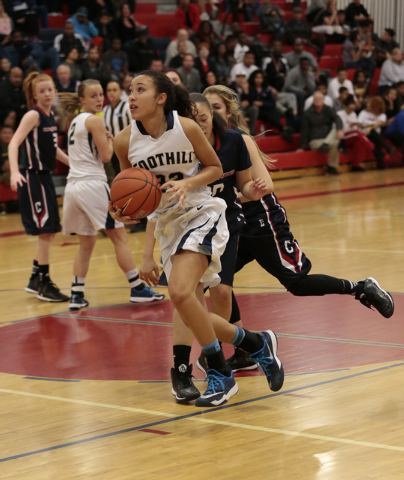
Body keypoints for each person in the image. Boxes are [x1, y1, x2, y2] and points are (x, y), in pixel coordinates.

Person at [108, 71, 283, 407]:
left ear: (161, 98)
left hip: (203, 211)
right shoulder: (123, 140)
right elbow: (129, 186)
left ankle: (220, 373)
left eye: (139, 90)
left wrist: (187, 184)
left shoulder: (185, 128)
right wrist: (122, 210)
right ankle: (255, 343)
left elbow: (215, 168)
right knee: (186, 303)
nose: (131, 96)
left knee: (180, 292)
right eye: (129, 90)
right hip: (168, 223)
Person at [201, 84, 394, 373]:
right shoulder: (204, 145)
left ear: (227, 112)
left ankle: (361, 288)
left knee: (298, 285)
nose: (210, 114)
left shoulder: (240, 140)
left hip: (261, 220)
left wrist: (250, 189)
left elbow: (266, 184)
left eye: (216, 108)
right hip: (232, 224)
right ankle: (243, 351)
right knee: (217, 282)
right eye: (206, 109)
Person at [169, 91, 269, 402]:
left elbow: (245, 186)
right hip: (185, 225)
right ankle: (184, 368)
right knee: (185, 297)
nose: (200, 123)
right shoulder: (179, 147)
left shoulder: (234, 141)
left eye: (206, 116)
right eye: (194, 119)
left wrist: (251, 189)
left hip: (225, 224)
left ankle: (220, 358)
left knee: (221, 292)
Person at [58, 79, 164, 310]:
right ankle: (138, 288)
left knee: (86, 243)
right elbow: (107, 157)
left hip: (72, 188)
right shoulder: (94, 121)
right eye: (93, 96)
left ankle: (76, 294)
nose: (99, 99)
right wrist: (108, 138)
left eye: (100, 95)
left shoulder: (75, 121)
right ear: (82, 99)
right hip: (92, 185)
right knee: (119, 237)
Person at [8, 72, 70, 302]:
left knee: (50, 230)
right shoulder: (32, 115)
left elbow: (53, 149)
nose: (46, 94)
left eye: (50, 90)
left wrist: (74, 163)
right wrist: (15, 171)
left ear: (54, 91)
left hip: (45, 177)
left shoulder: (50, 115)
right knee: (46, 232)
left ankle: (35, 279)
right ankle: (44, 283)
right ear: (34, 95)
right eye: (42, 91)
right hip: (32, 177)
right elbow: (14, 142)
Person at [299, 91, 344, 175]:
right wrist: (302, 146)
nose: (318, 100)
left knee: (337, 130)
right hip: (316, 141)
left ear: (323, 100)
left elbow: (337, 118)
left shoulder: (328, 109)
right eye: (316, 99)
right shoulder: (307, 113)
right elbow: (304, 130)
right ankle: (331, 167)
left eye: (320, 98)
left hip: (327, 139)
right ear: (313, 100)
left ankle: (331, 166)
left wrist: (339, 130)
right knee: (334, 143)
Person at [249, 69, 293, 142]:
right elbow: (250, 101)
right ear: (253, 78)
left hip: (267, 109)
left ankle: (283, 130)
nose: (258, 80)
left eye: (261, 78)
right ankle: (283, 128)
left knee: (273, 111)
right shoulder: (250, 88)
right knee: (267, 113)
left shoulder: (266, 88)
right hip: (258, 112)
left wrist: (262, 103)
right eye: (257, 77)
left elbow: (272, 103)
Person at [337, 94, 374, 172]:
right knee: (357, 133)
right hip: (342, 138)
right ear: (346, 106)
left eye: (353, 109)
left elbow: (355, 129)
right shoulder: (340, 114)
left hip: (352, 136)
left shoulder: (353, 114)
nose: (351, 111)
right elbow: (340, 129)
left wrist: (357, 125)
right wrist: (351, 125)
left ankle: (356, 165)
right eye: (350, 109)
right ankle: (371, 146)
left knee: (358, 142)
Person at [103, 80, 131, 174]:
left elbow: (134, 126)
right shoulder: (105, 110)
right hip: (113, 148)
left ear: (121, 91)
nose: (111, 92)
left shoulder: (127, 107)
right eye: (109, 90)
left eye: (114, 90)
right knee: (117, 174)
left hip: (127, 147)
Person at [357, 96, 390, 169]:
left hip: (375, 136)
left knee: (375, 141)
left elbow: (379, 123)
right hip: (365, 135)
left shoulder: (382, 115)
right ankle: (387, 147)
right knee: (373, 133)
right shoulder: (363, 113)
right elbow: (359, 124)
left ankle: (381, 164)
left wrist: (370, 127)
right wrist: (369, 126)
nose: (368, 105)